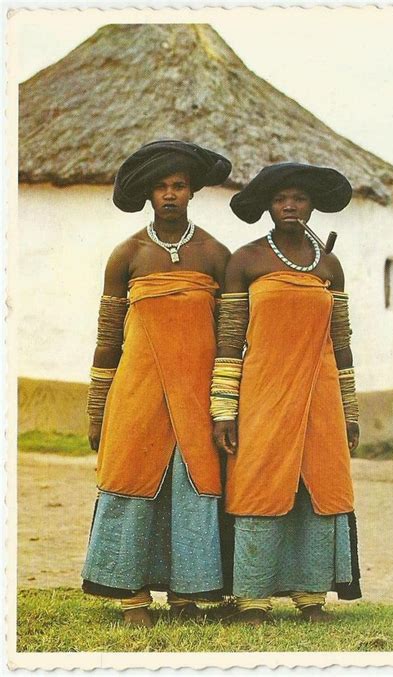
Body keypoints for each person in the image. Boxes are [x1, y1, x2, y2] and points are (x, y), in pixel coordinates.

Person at [82, 140, 233, 627]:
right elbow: (108, 341)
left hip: (195, 397)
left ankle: (188, 596)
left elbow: (233, 339)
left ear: (192, 192)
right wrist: (96, 409)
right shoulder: (127, 255)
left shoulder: (215, 255)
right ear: (148, 194)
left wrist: (226, 404)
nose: (170, 194)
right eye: (161, 187)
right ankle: (134, 598)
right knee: (132, 484)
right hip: (136, 395)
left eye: (179, 186)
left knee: (193, 490)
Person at [211, 162, 362, 625]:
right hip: (263, 393)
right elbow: (229, 340)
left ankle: (311, 595)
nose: (290, 205)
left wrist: (350, 410)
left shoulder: (329, 265)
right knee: (259, 484)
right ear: (267, 207)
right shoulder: (247, 260)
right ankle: (252, 598)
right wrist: (224, 409)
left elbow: (342, 343)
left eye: (299, 197)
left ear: (313, 204)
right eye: (281, 199)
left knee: (319, 487)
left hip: (321, 394)